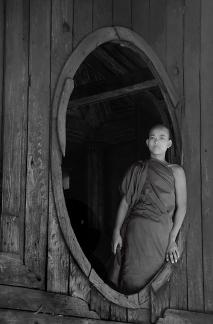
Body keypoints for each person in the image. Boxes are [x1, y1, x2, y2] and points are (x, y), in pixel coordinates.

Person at [110, 124, 187, 294]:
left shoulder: (176, 171)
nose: (156, 141)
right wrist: (116, 232)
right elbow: (125, 203)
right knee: (131, 278)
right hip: (135, 231)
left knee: (156, 281)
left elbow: (182, 207)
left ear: (169, 144)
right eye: (152, 137)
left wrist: (172, 239)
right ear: (147, 142)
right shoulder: (138, 169)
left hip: (161, 233)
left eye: (161, 138)